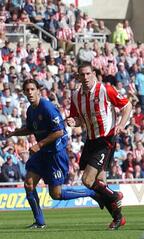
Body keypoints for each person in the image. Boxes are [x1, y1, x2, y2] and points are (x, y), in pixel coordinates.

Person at [5, 79, 104, 228]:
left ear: (38, 90)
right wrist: (14, 132)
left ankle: (92, 193)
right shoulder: (31, 110)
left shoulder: (47, 107)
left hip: (55, 153)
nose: (30, 92)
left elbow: (59, 131)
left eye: (33, 89)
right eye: (27, 90)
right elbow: (31, 128)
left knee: (56, 194)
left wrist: (39, 144)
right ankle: (39, 222)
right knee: (29, 184)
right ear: (24, 92)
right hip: (43, 152)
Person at [66, 62, 133, 230]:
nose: (86, 77)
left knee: (87, 180)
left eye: (89, 74)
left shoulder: (106, 90)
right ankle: (118, 218)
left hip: (106, 139)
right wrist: (73, 121)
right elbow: (78, 119)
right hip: (91, 140)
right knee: (101, 182)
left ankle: (115, 195)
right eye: (83, 75)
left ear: (94, 74)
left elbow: (127, 106)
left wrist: (122, 124)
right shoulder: (76, 96)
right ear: (79, 77)